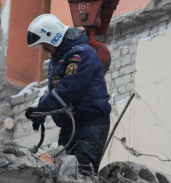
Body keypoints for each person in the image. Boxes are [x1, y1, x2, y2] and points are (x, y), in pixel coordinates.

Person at [25, 14, 111, 174]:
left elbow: (69, 90)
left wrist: (42, 107)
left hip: (90, 126)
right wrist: (42, 112)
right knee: (62, 172)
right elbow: (59, 92)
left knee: (81, 173)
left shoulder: (81, 54)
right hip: (70, 126)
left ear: (53, 37)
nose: (44, 49)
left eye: (44, 44)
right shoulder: (60, 58)